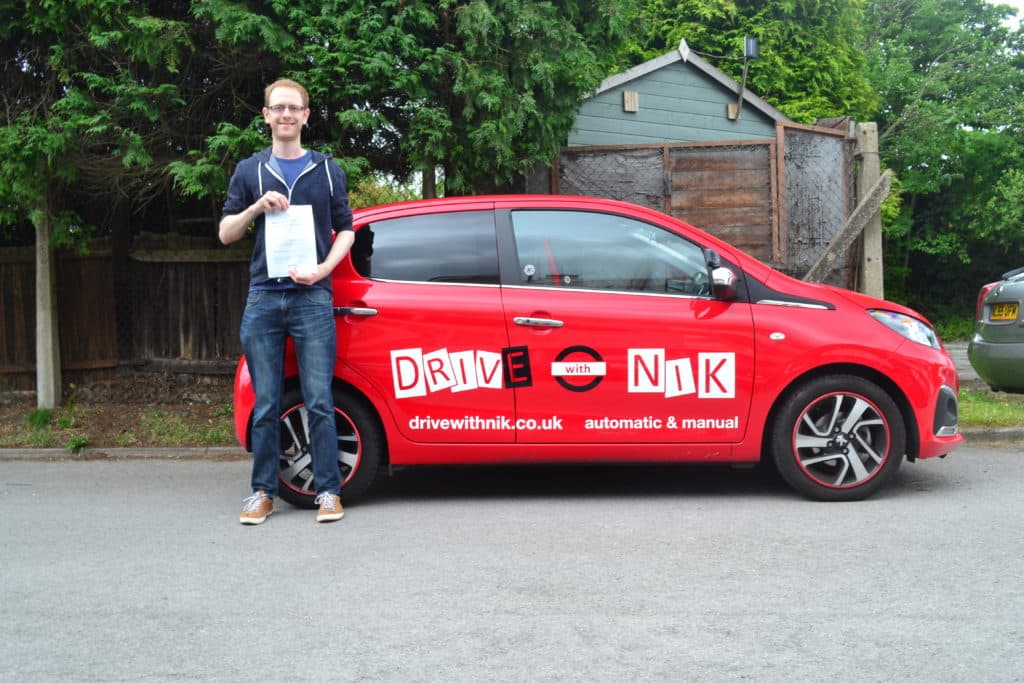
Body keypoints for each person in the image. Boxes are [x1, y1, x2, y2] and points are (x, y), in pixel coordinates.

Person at [219, 78, 354, 525]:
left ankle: (329, 492)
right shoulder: (249, 171)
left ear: (306, 116)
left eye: (294, 108)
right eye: (278, 108)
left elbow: (347, 230)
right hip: (264, 295)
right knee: (266, 403)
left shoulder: (328, 170)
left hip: (312, 296)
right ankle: (262, 492)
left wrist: (322, 270)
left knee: (318, 399)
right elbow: (226, 233)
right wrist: (257, 207)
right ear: (266, 115)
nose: (286, 116)